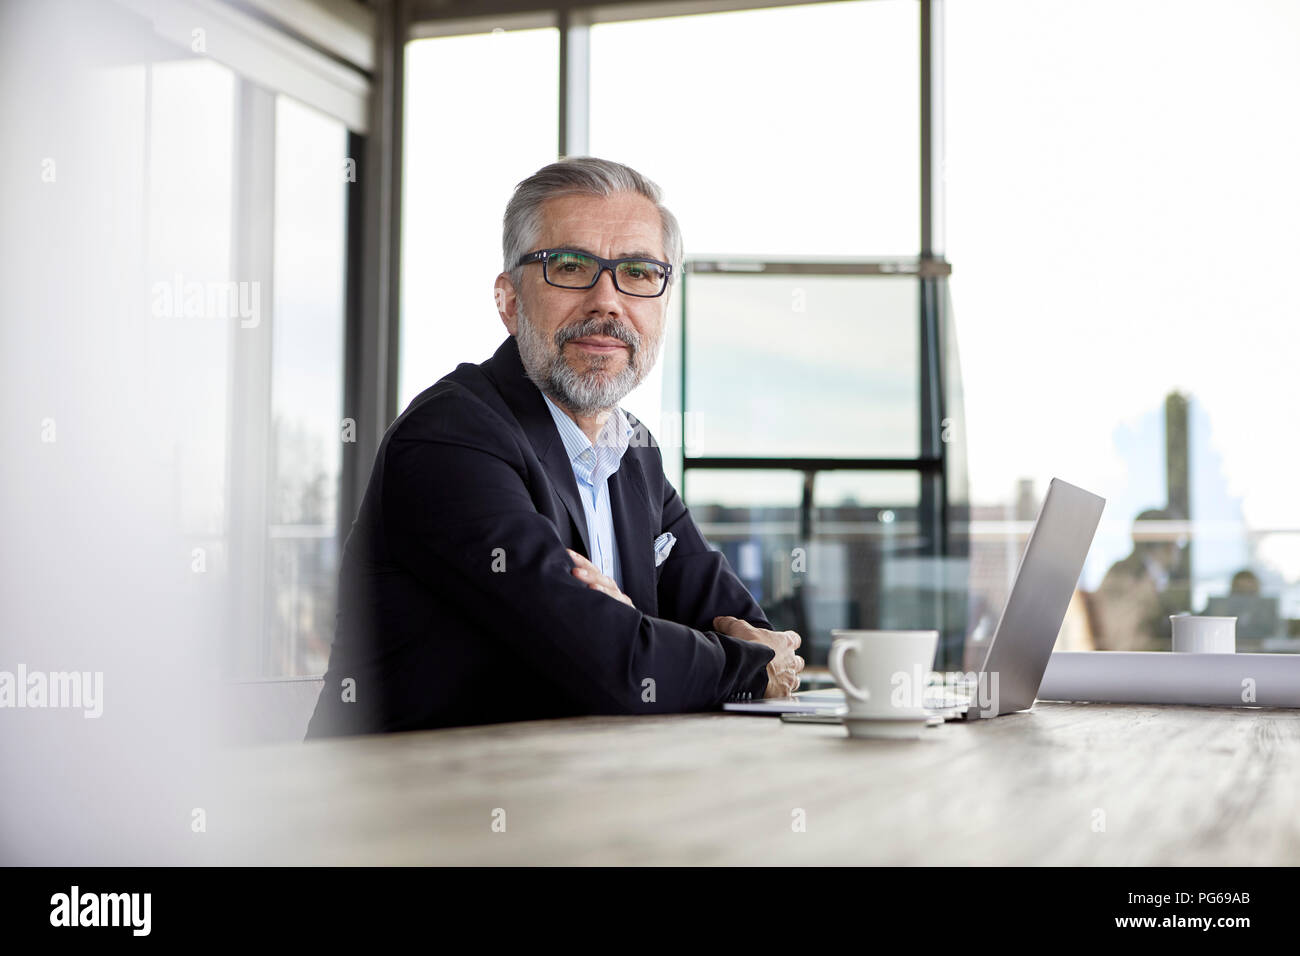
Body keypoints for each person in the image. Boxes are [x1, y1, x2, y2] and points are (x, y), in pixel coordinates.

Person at [306, 157, 803, 736]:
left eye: (639, 273)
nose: (607, 301)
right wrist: (641, 639)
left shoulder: (634, 450)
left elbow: (748, 628)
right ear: (509, 301)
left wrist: (634, 629)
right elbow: (611, 665)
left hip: (578, 797)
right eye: (570, 266)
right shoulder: (450, 439)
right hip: (408, 810)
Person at [1092, 508, 1184, 651]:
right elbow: (1126, 638)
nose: (1179, 549)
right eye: (1179, 541)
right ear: (1169, 544)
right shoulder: (1132, 576)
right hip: (1128, 662)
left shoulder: (1137, 573)